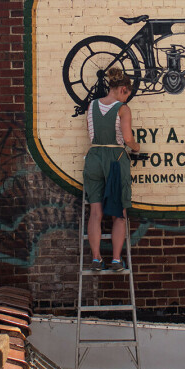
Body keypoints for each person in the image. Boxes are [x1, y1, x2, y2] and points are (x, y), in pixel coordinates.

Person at [83, 67, 140, 271]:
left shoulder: (91, 106)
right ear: (123, 89)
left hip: (93, 157)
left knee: (95, 212)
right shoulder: (122, 109)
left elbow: (91, 133)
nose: (127, 99)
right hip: (115, 159)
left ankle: (96, 258)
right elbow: (127, 138)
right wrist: (136, 147)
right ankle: (116, 259)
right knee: (119, 213)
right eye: (128, 94)